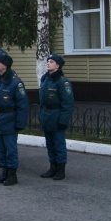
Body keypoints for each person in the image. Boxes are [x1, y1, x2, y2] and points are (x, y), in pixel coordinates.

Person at [0, 52, 28, 186]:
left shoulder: (15, 83)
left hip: (9, 120)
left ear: (4, 65)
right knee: (0, 148)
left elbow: (22, 105)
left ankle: (12, 174)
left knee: (10, 149)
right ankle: (4, 172)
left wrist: (19, 123)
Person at [38, 53, 74, 181]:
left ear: (58, 65)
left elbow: (67, 103)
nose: (48, 63)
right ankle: (52, 167)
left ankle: (60, 169)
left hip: (56, 116)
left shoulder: (62, 82)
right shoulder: (45, 79)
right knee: (50, 144)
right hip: (47, 116)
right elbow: (42, 101)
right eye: (48, 61)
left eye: (51, 62)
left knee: (58, 144)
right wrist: (41, 116)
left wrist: (63, 120)